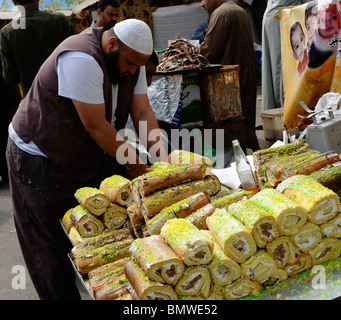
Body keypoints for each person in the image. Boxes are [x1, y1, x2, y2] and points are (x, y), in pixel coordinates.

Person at [6, 18, 168, 300]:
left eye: (138, 67)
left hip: (82, 151)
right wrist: (138, 166)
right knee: (50, 246)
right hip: (38, 156)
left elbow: (142, 114)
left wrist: (163, 165)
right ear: (113, 44)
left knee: (103, 231)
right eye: (130, 64)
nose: (133, 71)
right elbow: (96, 126)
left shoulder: (135, 60)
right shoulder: (80, 58)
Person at [199, 0, 260, 151]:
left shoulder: (221, 14)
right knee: (247, 118)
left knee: (234, 121)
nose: (201, 4)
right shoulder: (237, 9)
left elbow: (209, 50)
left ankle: (239, 156)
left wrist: (195, 51)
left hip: (230, 77)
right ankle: (255, 153)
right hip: (246, 72)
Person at [0, 0, 77, 97]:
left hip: (35, 99)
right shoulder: (60, 20)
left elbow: (11, 78)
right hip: (67, 94)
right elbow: (78, 56)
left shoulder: (7, 33)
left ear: (14, 2)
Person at [261, 0, 309, 111]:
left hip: (277, 17)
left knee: (277, 66)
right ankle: (282, 113)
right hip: (281, 19)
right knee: (282, 67)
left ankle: (277, 111)